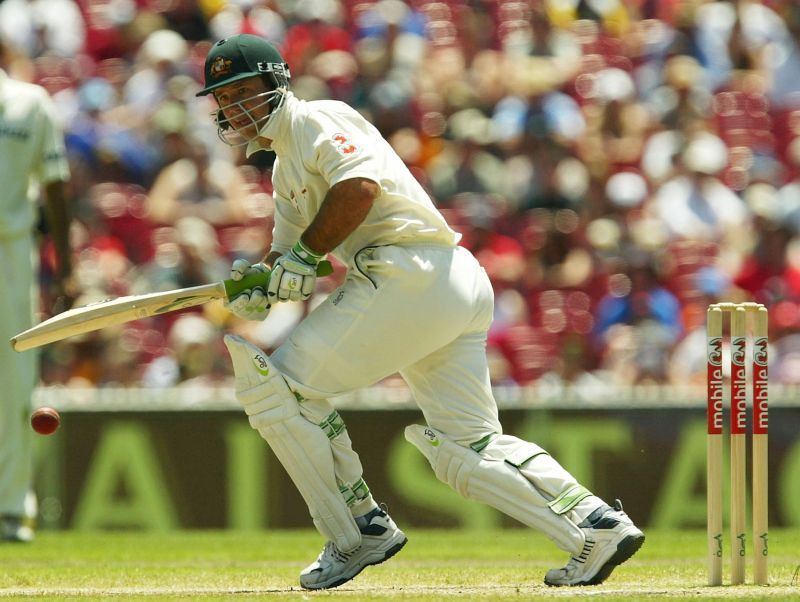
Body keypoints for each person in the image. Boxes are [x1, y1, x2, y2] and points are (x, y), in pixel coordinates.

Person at [197, 33, 644, 590]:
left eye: (243, 91)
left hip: (409, 273)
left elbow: (358, 188)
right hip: (444, 283)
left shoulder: (316, 119)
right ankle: (595, 525)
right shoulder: (285, 171)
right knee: (468, 446)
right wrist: (259, 285)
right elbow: (290, 261)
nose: (234, 107)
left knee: (279, 391)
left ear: (276, 83)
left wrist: (303, 257)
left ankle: (358, 531)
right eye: (223, 98)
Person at [0, 42, 74, 542]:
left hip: (10, 252)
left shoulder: (30, 102)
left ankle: (8, 509)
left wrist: (66, 270)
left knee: (14, 379)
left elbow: (55, 186)